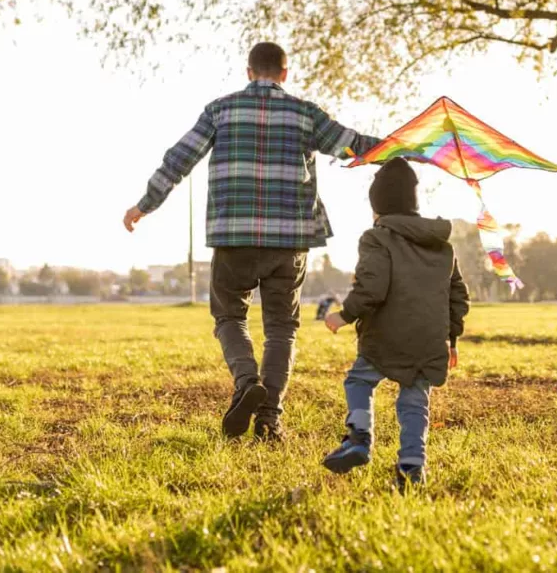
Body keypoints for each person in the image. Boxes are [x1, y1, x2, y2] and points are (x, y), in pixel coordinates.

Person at [123, 42, 378, 442]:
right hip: (289, 241)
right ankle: (269, 419)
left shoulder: (220, 110)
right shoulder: (305, 113)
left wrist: (145, 204)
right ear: (285, 74)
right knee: (281, 329)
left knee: (229, 318)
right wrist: (406, 148)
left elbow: (179, 158)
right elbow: (354, 144)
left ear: (248, 72)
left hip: (233, 236)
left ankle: (246, 383)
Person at [322, 158, 470, 491]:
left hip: (385, 337)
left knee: (359, 380)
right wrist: (452, 339)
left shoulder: (377, 237)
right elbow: (457, 296)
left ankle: (359, 437)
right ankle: (412, 469)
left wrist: (343, 315)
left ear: (379, 206)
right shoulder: (442, 245)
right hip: (429, 340)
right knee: (415, 401)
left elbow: (372, 288)